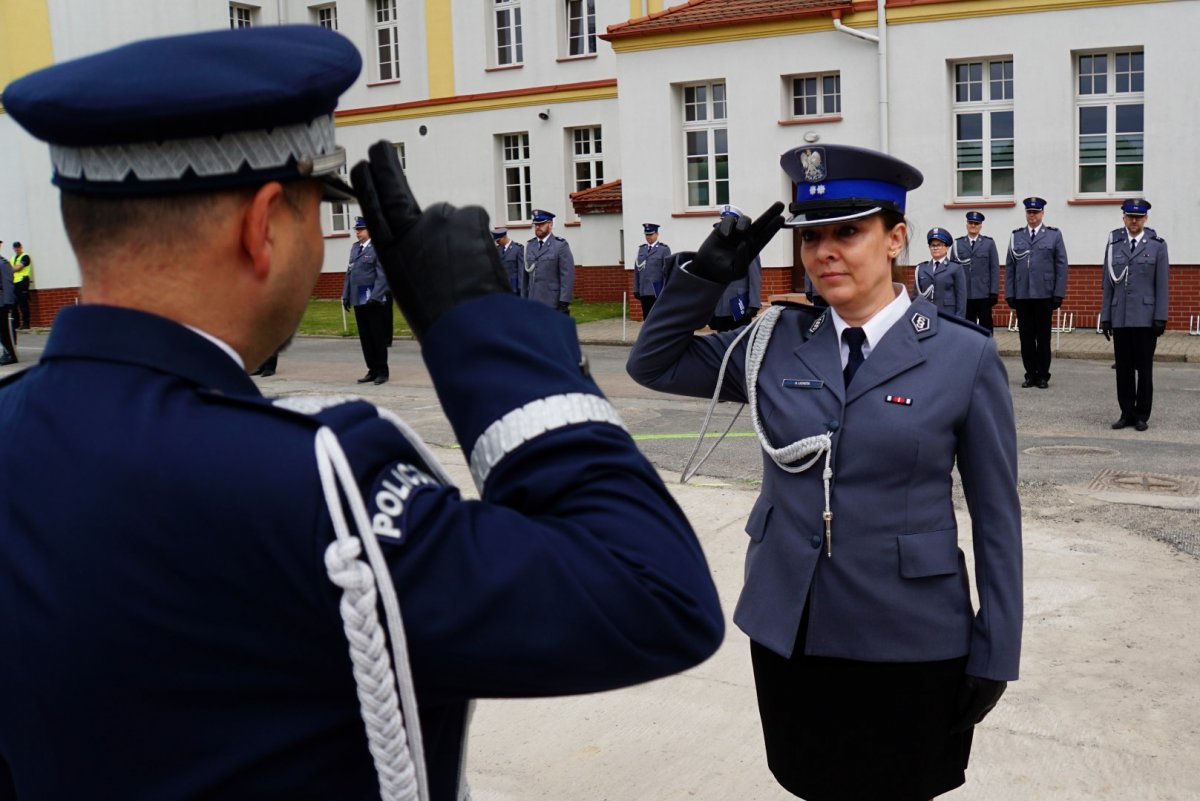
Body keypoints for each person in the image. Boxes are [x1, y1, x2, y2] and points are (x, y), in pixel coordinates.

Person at [0, 26, 723, 801]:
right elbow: (654, 591)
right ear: (263, 223)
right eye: (319, 205)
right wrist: (481, 328)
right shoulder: (315, 481)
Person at [628, 143, 1022, 801]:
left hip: (912, 636)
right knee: (811, 783)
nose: (824, 251)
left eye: (849, 231)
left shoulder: (964, 356)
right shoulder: (772, 339)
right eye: (811, 236)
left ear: (895, 237)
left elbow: (997, 520)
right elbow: (654, 362)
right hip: (795, 629)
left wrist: (997, 648)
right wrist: (707, 274)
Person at [1100, 197, 1169, 432]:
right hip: (1120, 316)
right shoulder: (1114, 243)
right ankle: (1126, 412)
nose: (1134, 221)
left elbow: (1162, 284)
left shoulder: (1157, 245)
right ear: (1124, 218)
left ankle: (1141, 414)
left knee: (1144, 368)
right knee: (1124, 368)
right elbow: (1107, 283)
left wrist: (1161, 316)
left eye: (1138, 217)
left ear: (1145, 218)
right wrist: (1106, 316)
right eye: (1130, 217)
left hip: (1145, 317)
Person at [1004, 196, 1068, 388]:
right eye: (1029, 212)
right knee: (1026, 337)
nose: (1032, 215)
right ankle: (1030, 373)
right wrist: (1010, 293)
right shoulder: (1016, 236)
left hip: (1044, 293)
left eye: (1035, 212)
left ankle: (1042, 374)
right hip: (1023, 293)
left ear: (1042, 213)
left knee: (1043, 336)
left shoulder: (1053, 235)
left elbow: (1061, 265)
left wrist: (1059, 293)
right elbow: (1010, 266)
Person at [342, 215, 393, 385]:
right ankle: (372, 369)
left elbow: (382, 275)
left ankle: (382, 371)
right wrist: (346, 295)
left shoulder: (378, 248)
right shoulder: (355, 248)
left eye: (361, 229)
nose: (358, 233)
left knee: (376, 335)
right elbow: (350, 273)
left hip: (372, 295)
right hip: (358, 294)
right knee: (365, 336)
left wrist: (375, 296)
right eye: (356, 230)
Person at [705, 206, 763, 331]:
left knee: (739, 341)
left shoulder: (747, 246)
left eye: (728, 221)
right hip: (719, 303)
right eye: (723, 220)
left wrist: (754, 304)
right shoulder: (715, 244)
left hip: (738, 303)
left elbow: (755, 277)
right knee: (720, 342)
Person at [952, 211, 1000, 334]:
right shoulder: (957, 244)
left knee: (986, 328)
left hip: (983, 293)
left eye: (976, 223)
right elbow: (952, 270)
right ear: (966, 224)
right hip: (965, 293)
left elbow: (994, 268)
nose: (973, 225)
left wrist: (993, 292)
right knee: (967, 328)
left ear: (980, 226)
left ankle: (987, 351)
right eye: (971, 223)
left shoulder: (988, 243)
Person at [522, 208, 575, 313]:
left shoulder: (560, 245)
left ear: (550, 225)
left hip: (552, 302)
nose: (538, 227)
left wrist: (564, 301)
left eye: (541, 224)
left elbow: (567, 275)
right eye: (536, 225)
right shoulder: (530, 245)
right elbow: (526, 275)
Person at [912, 227, 967, 318]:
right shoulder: (921, 269)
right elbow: (915, 297)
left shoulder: (955, 268)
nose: (935, 248)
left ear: (947, 248)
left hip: (948, 316)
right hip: (926, 315)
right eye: (933, 245)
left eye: (939, 245)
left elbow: (961, 298)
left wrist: (959, 319)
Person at [633, 222, 671, 318]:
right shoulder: (641, 250)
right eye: (646, 235)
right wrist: (636, 289)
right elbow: (637, 271)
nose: (648, 237)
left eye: (651, 234)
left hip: (657, 290)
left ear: (657, 234)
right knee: (647, 317)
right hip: (644, 290)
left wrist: (666, 289)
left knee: (658, 317)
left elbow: (668, 271)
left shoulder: (664, 250)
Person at [492, 225, 524, 294]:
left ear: (504, 237)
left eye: (498, 240)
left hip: (513, 287)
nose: (497, 242)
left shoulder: (518, 249)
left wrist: (521, 287)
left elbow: (521, 270)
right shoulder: (498, 249)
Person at [9, 241, 32, 330]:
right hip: (14, 282)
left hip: (22, 282)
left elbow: (19, 267)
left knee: (23, 304)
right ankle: (16, 324)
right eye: (15, 247)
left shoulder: (25, 256)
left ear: (21, 247)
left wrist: (12, 269)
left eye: (18, 247)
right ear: (13, 248)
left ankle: (26, 324)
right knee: (14, 304)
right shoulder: (13, 258)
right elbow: (11, 269)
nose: (17, 248)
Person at [0, 242, 15, 365]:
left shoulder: (2, 263)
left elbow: (7, 284)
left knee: (4, 330)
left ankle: (10, 354)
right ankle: (6, 352)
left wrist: (8, 302)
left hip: (2, 302)